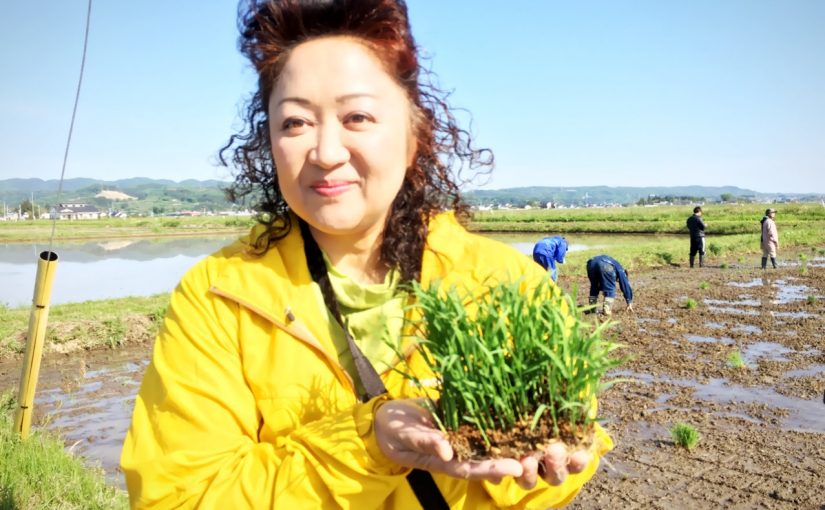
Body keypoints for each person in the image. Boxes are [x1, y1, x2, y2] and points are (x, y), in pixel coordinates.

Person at [120, 1, 612, 508]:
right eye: (294, 123)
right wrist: (369, 443)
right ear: (268, 140)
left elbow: (566, 456)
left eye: (357, 116)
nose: (326, 151)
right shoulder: (220, 296)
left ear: (414, 133)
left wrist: (545, 459)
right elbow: (178, 496)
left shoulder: (508, 281)